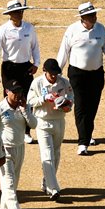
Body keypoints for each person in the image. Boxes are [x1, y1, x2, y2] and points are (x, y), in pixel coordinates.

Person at [56, 2, 105, 156]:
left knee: (92, 107)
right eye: (91, 15)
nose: (94, 17)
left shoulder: (101, 29)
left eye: (95, 14)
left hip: (96, 74)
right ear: (83, 18)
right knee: (81, 107)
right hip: (77, 75)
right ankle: (83, 143)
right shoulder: (72, 30)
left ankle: (87, 134)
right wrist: (57, 73)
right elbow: (63, 52)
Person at [0, 0, 40, 144]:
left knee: (26, 98)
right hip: (9, 68)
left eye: (21, 11)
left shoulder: (29, 28)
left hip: (26, 67)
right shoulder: (3, 30)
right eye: (16, 12)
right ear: (10, 14)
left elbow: (35, 47)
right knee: (12, 98)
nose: (19, 14)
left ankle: (26, 132)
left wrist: (36, 63)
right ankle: (6, 127)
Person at [0, 80, 37, 209]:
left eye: (19, 91)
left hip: (20, 148)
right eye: (14, 92)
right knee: (8, 183)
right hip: (5, 151)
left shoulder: (24, 106)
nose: (17, 95)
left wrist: (25, 110)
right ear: (6, 92)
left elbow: (33, 124)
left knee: (12, 183)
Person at [27, 59, 74, 201]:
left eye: (56, 74)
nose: (54, 77)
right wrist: (43, 98)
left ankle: (47, 181)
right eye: (52, 74)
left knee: (56, 153)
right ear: (45, 71)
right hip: (43, 122)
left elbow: (71, 97)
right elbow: (29, 101)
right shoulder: (37, 83)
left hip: (59, 121)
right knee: (46, 154)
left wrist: (67, 105)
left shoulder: (64, 82)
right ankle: (53, 189)